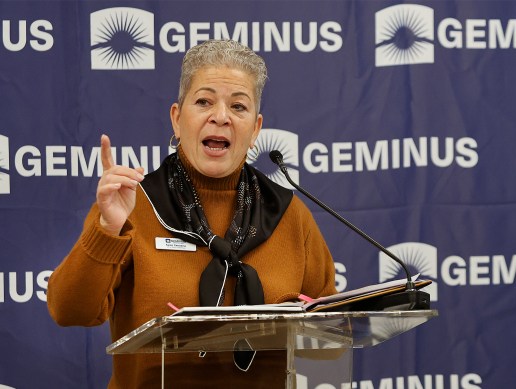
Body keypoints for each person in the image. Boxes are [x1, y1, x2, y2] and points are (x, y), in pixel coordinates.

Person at [47, 39, 337, 388]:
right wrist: (107, 228)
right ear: (177, 118)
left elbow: (330, 343)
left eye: (238, 107)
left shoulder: (288, 213)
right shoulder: (132, 205)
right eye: (204, 101)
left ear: (256, 128)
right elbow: (69, 311)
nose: (221, 116)